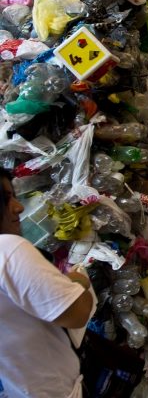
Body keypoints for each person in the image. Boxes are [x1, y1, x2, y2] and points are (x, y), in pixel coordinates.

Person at [0, 168, 93, 398]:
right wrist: (78, 281)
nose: (19, 207)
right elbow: (77, 313)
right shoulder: (7, 249)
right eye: (6, 199)